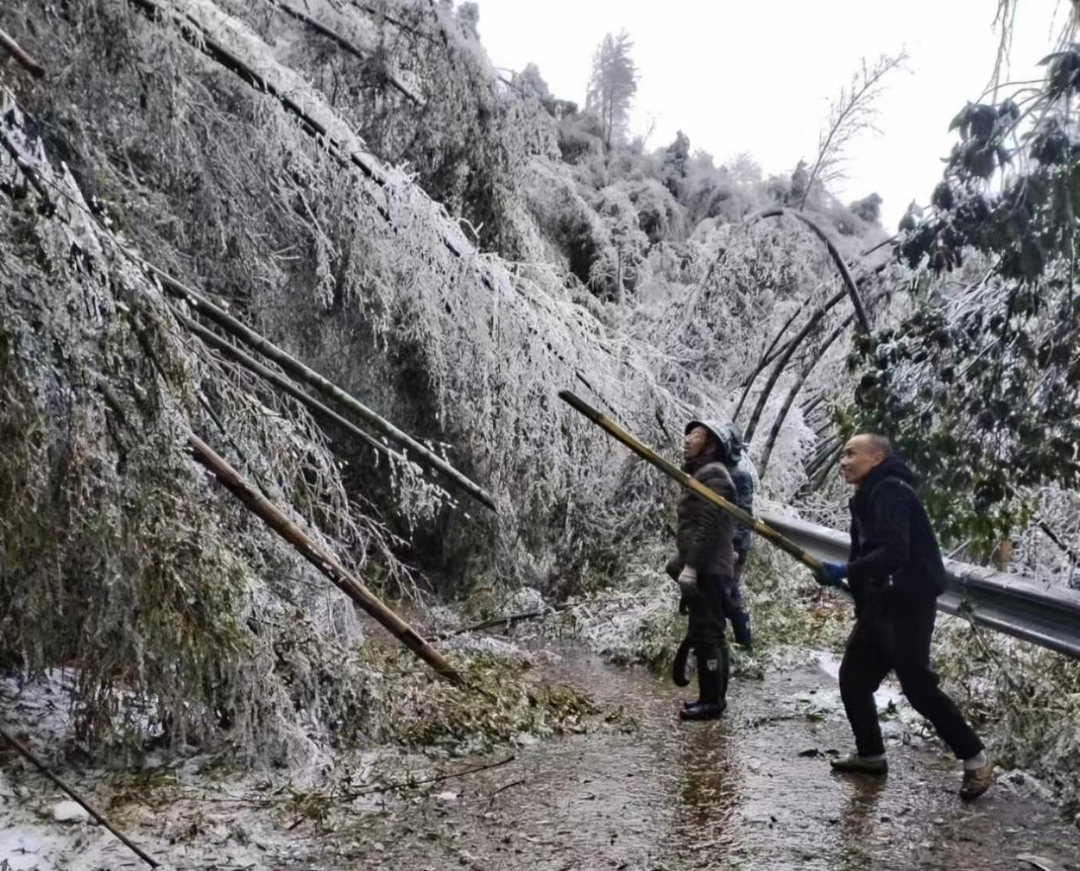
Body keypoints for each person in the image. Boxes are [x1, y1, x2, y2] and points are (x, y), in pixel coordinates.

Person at [814, 433, 994, 800]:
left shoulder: (891, 490)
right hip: (883, 601)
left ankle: (976, 759)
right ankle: (871, 755)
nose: (844, 461)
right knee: (854, 677)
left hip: (909, 600)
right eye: (842, 455)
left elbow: (895, 552)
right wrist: (859, 587)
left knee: (917, 686)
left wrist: (847, 571)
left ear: (877, 457)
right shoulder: (868, 494)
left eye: (852, 454)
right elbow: (873, 552)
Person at [667, 419, 738, 721]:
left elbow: (708, 526)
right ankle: (714, 698)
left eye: (694, 436)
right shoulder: (704, 474)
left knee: (708, 634)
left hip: (708, 568)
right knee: (711, 633)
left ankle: (711, 702)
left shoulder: (714, 475)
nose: (686, 440)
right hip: (708, 567)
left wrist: (692, 567)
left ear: (711, 446)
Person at [716, 423, 755, 651]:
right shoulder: (713, 470)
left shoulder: (740, 475)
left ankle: (744, 641)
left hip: (733, 545)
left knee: (728, 591)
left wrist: (736, 547)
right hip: (717, 542)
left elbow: (744, 512)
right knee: (719, 590)